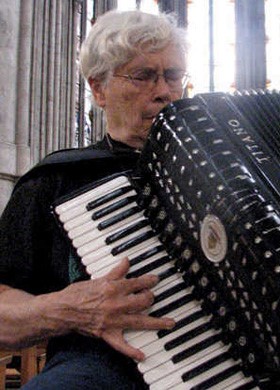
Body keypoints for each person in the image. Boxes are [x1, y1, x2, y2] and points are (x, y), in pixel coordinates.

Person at [0, 9, 188, 389]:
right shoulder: (56, 181)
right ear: (99, 89)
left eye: (172, 76)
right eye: (143, 76)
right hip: (105, 366)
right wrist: (71, 309)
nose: (164, 91)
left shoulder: (231, 174)